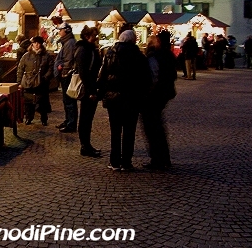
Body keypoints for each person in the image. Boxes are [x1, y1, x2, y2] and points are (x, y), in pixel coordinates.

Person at [98, 29, 152, 171]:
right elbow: (146, 79)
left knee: (115, 131)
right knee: (129, 131)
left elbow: (102, 76)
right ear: (133, 40)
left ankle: (114, 161)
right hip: (132, 99)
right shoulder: (139, 56)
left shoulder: (110, 53)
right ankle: (126, 162)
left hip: (113, 99)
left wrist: (101, 93)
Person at [140, 32, 177, 170]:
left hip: (153, 97)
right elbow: (172, 75)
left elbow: (153, 77)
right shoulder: (169, 55)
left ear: (159, 41)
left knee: (152, 128)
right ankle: (164, 158)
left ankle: (157, 159)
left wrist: (147, 93)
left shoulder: (155, 56)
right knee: (158, 127)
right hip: (164, 95)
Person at [74, 25, 102, 157]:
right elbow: (84, 72)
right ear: (87, 36)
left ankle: (87, 145)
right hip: (87, 89)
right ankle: (85, 146)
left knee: (87, 118)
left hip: (91, 87)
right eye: (94, 35)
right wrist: (91, 91)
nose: (96, 38)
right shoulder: (84, 50)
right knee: (85, 118)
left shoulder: (90, 49)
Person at [17, 36, 53, 125]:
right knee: (28, 101)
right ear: (32, 44)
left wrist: (45, 77)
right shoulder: (26, 55)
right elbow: (20, 69)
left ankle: (44, 119)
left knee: (42, 102)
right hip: (29, 82)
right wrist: (19, 82)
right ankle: (29, 118)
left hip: (42, 82)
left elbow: (51, 67)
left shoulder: (46, 55)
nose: (36, 45)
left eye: (38, 43)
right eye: (35, 43)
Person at [53, 22, 78, 132]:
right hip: (65, 74)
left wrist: (63, 71)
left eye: (60, 30)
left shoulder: (70, 43)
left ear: (66, 30)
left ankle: (71, 123)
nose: (59, 32)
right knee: (66, 100)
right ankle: (68, 120)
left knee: (69, 101)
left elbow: (68, 60)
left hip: (67, 75)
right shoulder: (67, 42)